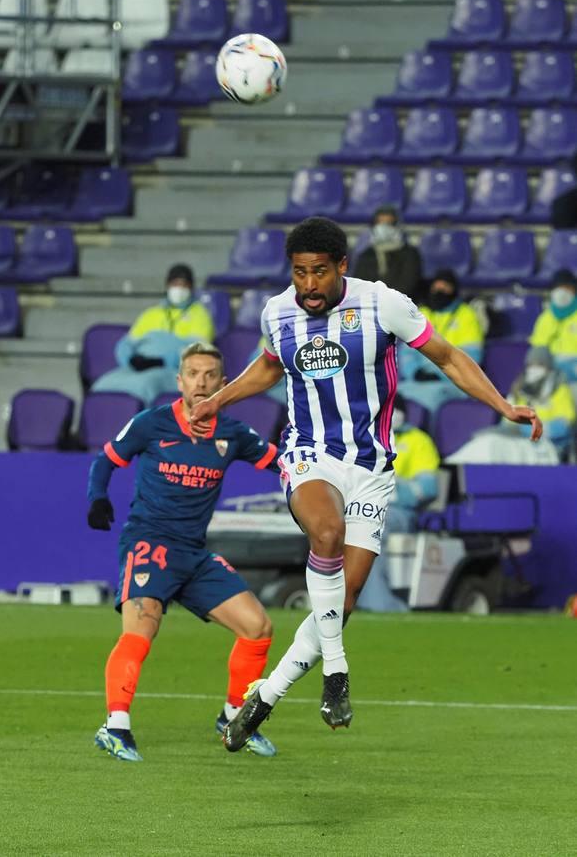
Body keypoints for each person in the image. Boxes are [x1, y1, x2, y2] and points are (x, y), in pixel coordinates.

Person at [188, 216, 542, 752]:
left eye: (319, 272)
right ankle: (336, 671)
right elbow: (269, 366)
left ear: (342, 267)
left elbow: (448, 356)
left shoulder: (383, 304)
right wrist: (219, 399)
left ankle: (263, 698)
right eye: (300, 272)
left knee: (343, 600)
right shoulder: (277, 311)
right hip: (310, 455)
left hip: (371, 467)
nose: (309, 284)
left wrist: (503, 405)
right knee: (326, 533)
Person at [87, 341, 280, 761]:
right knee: (141, 630)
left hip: (193, 554)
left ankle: (234, 718)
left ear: (224, 384)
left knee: (258, 626)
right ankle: (114, 726)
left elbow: (280, 463)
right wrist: (97, 496)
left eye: (210, 375)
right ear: (179, 381)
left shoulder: (233, 433)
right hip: (149, 544)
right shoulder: (151, 423)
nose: (201, 382)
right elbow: (106, 460)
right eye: (193, 374)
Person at [356, 393, 440, 612]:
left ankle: (380, 604)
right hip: (360, 504)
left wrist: (388, 486)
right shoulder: (363, 438)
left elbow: (427, 489)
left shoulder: (417, 440)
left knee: (369, 527)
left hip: (399, 512)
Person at [92, 264, 215, 406]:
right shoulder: (151, 314)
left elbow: (197, 352)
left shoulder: (200, 315)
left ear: (191, 288)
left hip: (174, 370)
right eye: (175, 284)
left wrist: (163, 361)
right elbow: (127, 344)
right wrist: (130, 360)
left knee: (144, 386)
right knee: (102, 385)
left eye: (184, 285)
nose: (179, 289)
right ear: (167, 286)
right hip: (138, 369)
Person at [398, 268, 485, 413]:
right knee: (392, 395)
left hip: (453, 382)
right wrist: (415, 372)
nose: (440, 290)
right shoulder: (422, 314)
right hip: (419, 379)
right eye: (437, 286)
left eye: (445, 287)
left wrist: (440, 375)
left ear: (453, 290)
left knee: (431, 397)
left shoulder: (466, 314)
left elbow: (472, 357)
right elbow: (406, 353)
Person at [507, 346, 575, 459]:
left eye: (539, 365)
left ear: (548, 367)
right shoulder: (519, 388)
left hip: (553, 445)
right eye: (531, 365)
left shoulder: (559, 388)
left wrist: (538, 430)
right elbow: (507, 419)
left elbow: (566, 422)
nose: (534, 369)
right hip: (522, 443)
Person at [353, 204, 422, 300]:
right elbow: (360, 283)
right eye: (380, 223)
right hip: (371, 303)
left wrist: (386, 300)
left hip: (401, 303)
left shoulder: (410, 254)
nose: (383, 227)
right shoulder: (367, 254)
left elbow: (408, 284)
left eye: (389, 223)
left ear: (397, 225)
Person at [529, 269, 577, 384]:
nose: (562, 292)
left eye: (567, 287)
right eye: (558, 288)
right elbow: (537, 351)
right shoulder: (545, 318)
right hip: (550, 373)